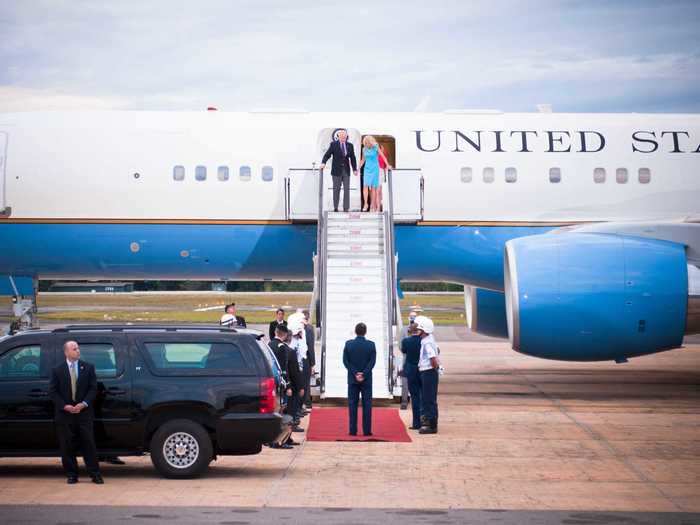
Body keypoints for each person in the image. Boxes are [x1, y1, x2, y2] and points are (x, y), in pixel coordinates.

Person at [48, 340, 104, 484]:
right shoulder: (57, 370)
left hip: (84, 413)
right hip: (65, 414)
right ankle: (72, 474)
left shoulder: (88, 368)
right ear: (66, 352)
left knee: (89, 444)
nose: (78, 351)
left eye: (78, 348)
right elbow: (53, 392)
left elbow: (93, 389)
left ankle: (95, 474)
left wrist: (83, 404)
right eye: (74, 349)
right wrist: (64, 406)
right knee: (67, 446)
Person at [342, 322, 376, 436]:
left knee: (352, 405)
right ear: (365, 332)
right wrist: (364, 374)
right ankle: (367, 431)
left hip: (352, 379)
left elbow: (346, 361)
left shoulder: (349, 344)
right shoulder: (371, 345)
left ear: (355, 331)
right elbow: (372, 362)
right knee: (367, 405)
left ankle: (352, 430)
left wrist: (355, 373)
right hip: (366, 380)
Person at [320, 129, 358, 212]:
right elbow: (327, 155)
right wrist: (323, 163)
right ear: (338, 137)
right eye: (342, 137)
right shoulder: (333, 145)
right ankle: (335, 207)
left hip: (346, 171)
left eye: (345, 137)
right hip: (336, 171)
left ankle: (346, 208)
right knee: (336, 189)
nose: (344, 138)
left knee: (346, 189)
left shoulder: (350, 145)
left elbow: (353, 158)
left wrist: (354, 169)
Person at [415, 316, 440, 434]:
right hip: (428, 372)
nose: (416, 330)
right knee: (430, 398)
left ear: (424, 330)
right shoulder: (429, 338)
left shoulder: (427, 342)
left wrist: (434, 368)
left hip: (428, 372)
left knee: (428, 398)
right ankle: (431, 422)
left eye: (419, 328)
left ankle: (431, 425)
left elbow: (433, 358)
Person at [359, 135, 391, 212]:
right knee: (365, 186)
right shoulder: (364, 149)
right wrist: (357, 168)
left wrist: (387, 165)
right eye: (365, 143)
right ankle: (366, 203)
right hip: (367, 169)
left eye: (367, 143)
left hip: (375, 169)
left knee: (373, 188)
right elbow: (363, 160)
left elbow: (383, 156)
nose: (366, 144)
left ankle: (372, 205)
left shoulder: (376, 147)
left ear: (371, 142)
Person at [401, 323, 423, 430]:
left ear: (410, 330)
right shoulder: (422, 340)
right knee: (423, 396)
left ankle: (416, 422)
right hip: (422, 370)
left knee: (414, 397)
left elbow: (404, 351)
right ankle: (424, 420)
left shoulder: (406, 341)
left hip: (411, 370)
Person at [287, 318, 307, 432]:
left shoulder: (298, 341)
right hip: (293, 377)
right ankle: (292, 423)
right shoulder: (291, 344)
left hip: (298, 372)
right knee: (292, 403)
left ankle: (294, 420)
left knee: (295, 402)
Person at [302, 309, 316, 409]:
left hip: (300, 358)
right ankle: (307, 402)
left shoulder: (302, 328)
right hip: (306, 358)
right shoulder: (309, 328)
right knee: (306, 381)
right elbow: (311, 347)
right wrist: (312, 363)